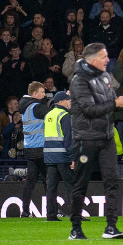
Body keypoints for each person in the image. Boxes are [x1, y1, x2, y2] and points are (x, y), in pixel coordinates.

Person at [69, 43, 123, 240]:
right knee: (81, 183)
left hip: (107, 138)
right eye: (104, 56)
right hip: (86, 139)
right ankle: (75, 228)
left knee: (112, 181)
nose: (108, 60)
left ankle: (111, 227)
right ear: (92, 59)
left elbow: (111, 104)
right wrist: (116, 103)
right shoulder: (78, 80)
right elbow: (89, 110)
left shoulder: (106, 77)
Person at [18, 81, 49, 218]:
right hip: (40, 149)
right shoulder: (37, 107)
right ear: (35, 94)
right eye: (42, 92)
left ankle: (25, 211)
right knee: (49, 181)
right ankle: (52, 210)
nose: (44, 95)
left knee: (30, 182)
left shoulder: (25, 107)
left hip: (30, 149)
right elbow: (53, 113)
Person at [42, 91, 73, 222]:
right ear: (61, 102)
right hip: (63, 156)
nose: (70, 102)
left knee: (51, 187)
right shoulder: (64, 115)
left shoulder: (48, 115)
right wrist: (72, 156)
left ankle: (51, 215)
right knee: (70, 185)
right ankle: (75, 214)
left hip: (49, 156)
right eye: (68, 100)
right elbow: (68, 138)